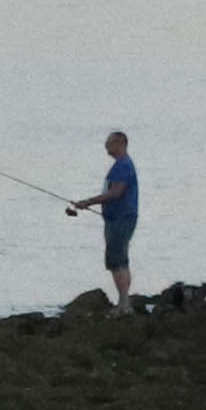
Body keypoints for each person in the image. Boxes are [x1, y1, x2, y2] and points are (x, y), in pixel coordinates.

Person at [59, 130, 139, 306]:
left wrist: (88, 202)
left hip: (121, 219)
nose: (106, 146)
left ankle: (124, 304)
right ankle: (124, 302)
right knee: (119, 260)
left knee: (117, 260)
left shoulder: (123, 166)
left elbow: (115, 193)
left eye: (109, 143)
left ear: (120, 144)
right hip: (116, 218)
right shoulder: (121, 165)